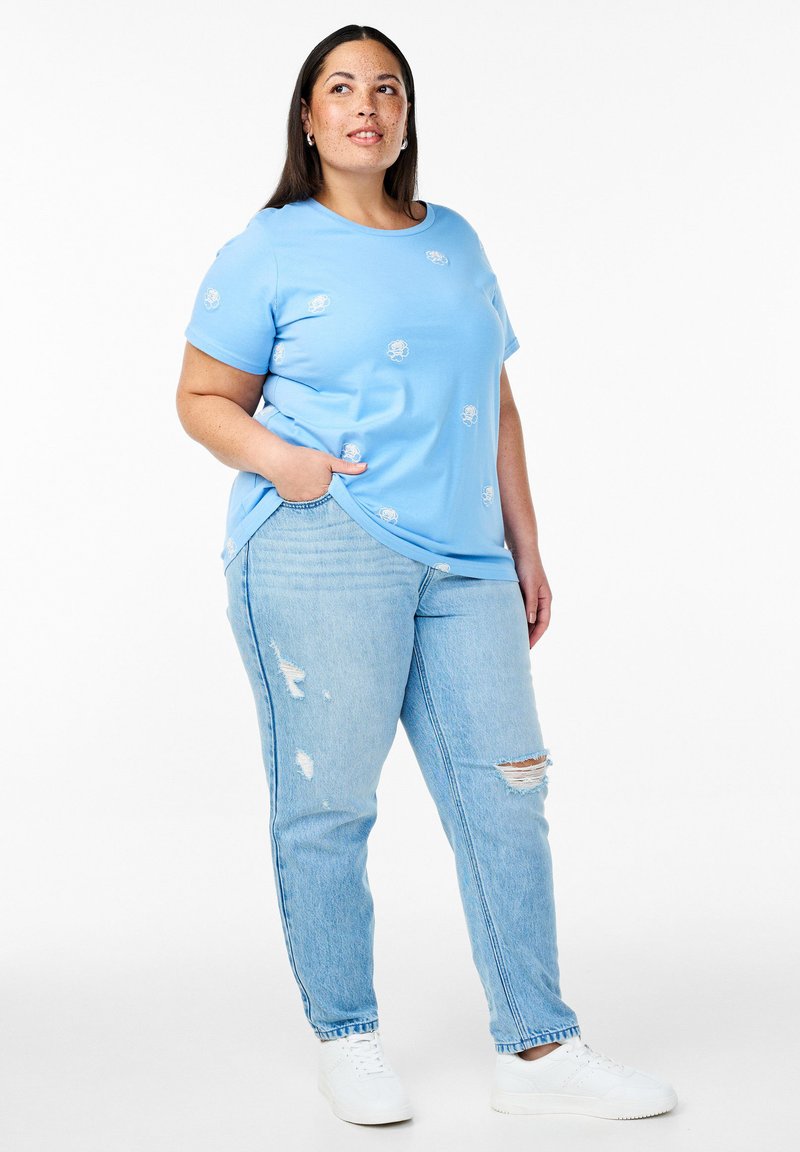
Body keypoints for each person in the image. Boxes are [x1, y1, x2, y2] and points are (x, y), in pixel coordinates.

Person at [176, 23, 678, 1127]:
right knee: (330, 800)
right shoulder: (268, 248)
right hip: (323, 541)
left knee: (508, 791)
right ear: (308, 117)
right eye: (341, 87)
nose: (366, 106)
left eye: (387, 88)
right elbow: (201, 399)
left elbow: (495, 399)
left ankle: (538, 1048)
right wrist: (286, 465)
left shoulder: (454, 238)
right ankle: (346, 1035)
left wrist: (524, 545)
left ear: (406, 116)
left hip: (466, 559)